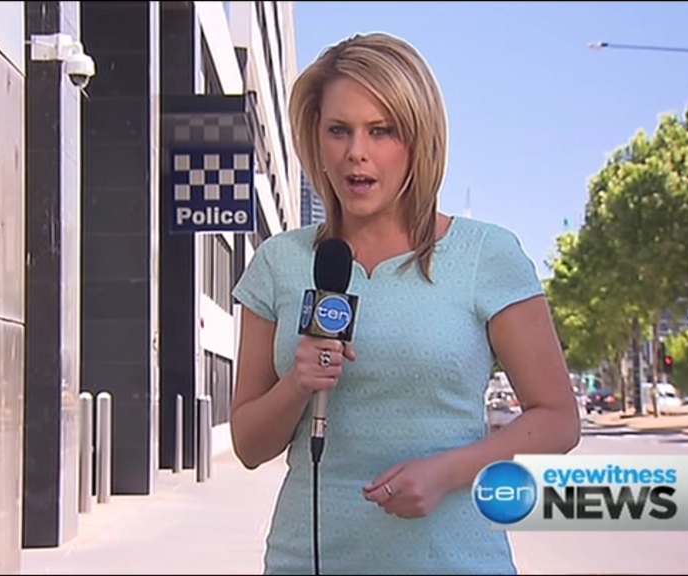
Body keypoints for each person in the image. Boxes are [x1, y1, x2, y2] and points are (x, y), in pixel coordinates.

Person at [230, 32, 581, 575]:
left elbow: (558, 420)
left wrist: (449, 472)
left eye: (382, 130)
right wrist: (297, 384)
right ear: (316, 138)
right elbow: (249, 446)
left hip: (457, 561)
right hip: (307, 562)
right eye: (339, 130)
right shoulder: (280, 262)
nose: (356, 152)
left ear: (419, 140)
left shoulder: (486, 255)